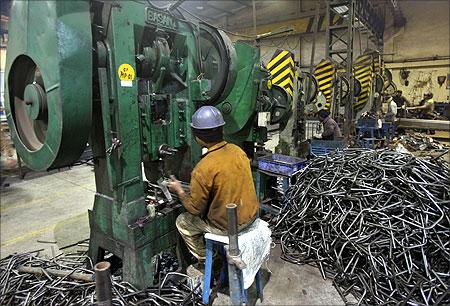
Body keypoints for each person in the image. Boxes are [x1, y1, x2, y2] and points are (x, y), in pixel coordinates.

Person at [168, 106, 259, 263]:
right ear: (222, 130)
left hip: (229, 228)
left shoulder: (203, 168)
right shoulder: (237, 151)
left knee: (183, 222)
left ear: (198, 138)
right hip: (251, 217)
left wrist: (180, 191)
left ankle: (207, 259)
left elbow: (195, 209)